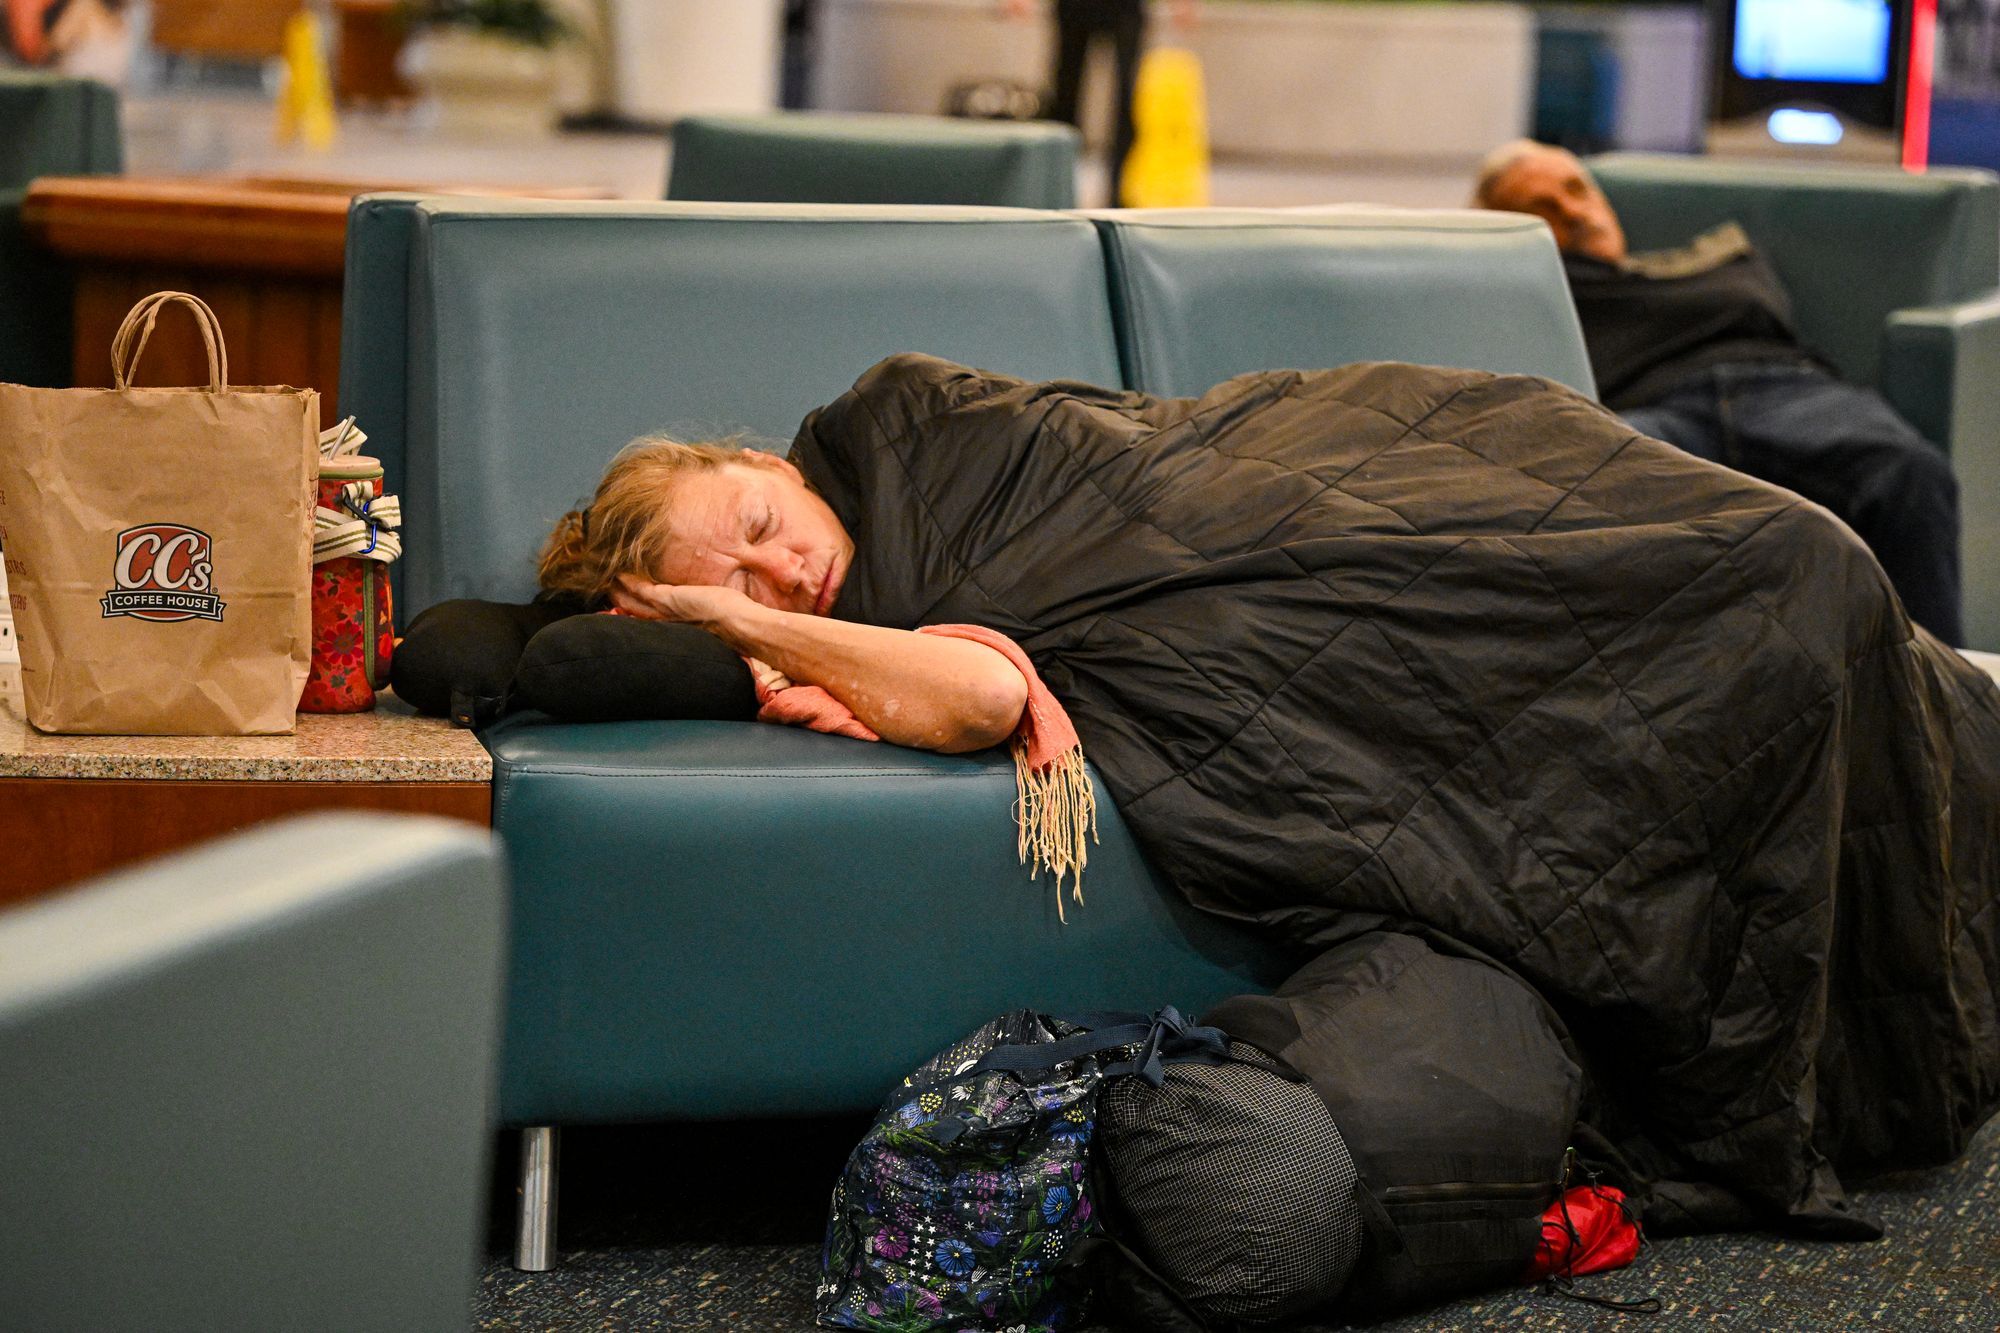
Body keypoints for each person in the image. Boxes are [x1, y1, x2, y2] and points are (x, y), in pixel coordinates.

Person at [541, 351, 2000, 1242]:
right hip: (1273, 631)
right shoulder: (844, 644)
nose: (786, 571)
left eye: (758, 529)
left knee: (1781, 563)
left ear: (760, 461)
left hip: (1319, 475)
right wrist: (740, 632)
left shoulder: (913, 426)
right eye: (734, 586)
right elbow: (981, 698)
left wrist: (737, 612)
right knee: (1782, 590)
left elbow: (1159, 473)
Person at [1472, 139, 1965, 646]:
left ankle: (1949, 704)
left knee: (1907, 473)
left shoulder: (1716, 258)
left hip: (1786, 389)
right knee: (1585, 481)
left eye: (1577, 190)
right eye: (1542, 208)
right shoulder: (1532, 295)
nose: (1574, 212)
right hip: (1652, 409)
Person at [1003, 0, 1195, 204]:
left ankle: (1120, 192)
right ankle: (1057, 187)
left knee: (1127, 100)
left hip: (1125, 7)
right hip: (1076, 7)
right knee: (1065, 97)